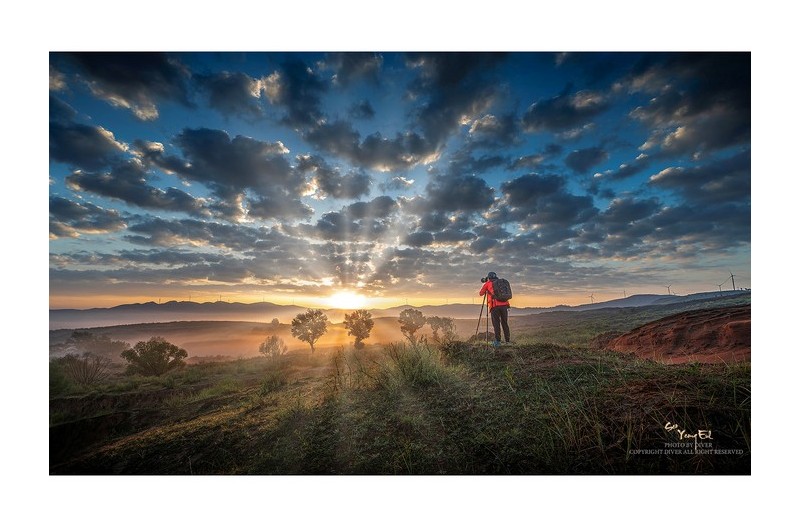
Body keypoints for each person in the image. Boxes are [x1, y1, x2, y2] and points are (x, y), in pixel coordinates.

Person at [478, 271, 510, 346]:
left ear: (489, 277)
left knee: (496, 324)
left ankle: (497, 342)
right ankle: (507, 341)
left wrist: (486, 286)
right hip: (504, 305)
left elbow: (480, 293)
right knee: (505, 323)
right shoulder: (500, 283)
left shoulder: (488, 283)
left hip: (495, 306)